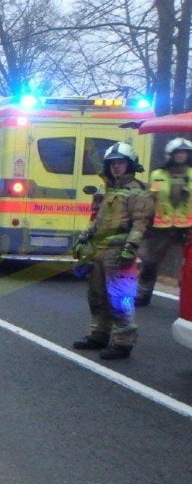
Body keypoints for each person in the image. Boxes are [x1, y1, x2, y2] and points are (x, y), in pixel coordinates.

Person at [71, 142, 153, 360]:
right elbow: (97, 220)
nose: (116, 166)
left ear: (130, 164)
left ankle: (122, 342)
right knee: (96, 296)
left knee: (120, 298)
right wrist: (83, 239)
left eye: (120, 162)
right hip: (99, 250)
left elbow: (140, 224)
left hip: (119, 251)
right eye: (112, 163)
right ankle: (99, 334)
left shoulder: (138, 191)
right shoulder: (107, 190)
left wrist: (130, 249)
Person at [136, 137, 192, 306]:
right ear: (170, 154)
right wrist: (146, 221)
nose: (181, 156)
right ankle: (143, 294)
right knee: (150, 263)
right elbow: (152, 199)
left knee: (189, 266)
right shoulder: (158, 175)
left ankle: (187, 300)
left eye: (184, 153)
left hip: (187, 227)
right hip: (162, 227)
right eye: (178, 153)